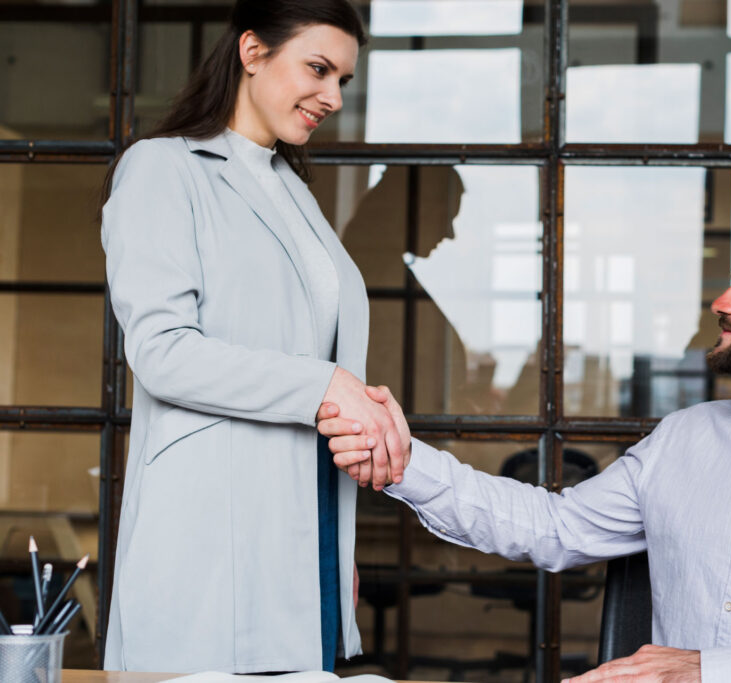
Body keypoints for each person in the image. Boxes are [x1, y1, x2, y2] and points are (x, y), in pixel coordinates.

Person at [319, 199, 731, 681]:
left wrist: (710, 671)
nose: (721, 301)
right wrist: (402, 461)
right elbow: (552, 525)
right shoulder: (685, 438)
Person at [100, 0, 408, 673]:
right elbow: (162, 352)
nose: (332, 97)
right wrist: (328, 385)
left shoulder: (292, 190)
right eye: (318, 69)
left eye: (343, 82)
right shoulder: (162, 168)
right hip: (209, 546)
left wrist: (339, 545)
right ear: (252, 51)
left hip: (308, 537)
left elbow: (319, 356)